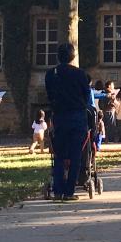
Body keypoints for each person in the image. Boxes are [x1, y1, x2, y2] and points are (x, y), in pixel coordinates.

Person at [45, 42, 90, 201]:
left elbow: (50, 95)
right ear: (73, 56)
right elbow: (86, 96)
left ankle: (58, 190)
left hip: (60, 117)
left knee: (59, 154)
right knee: (76, 155)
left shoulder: (51, 74)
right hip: (77, 116)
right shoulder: (80, 74)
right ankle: (69, 191)